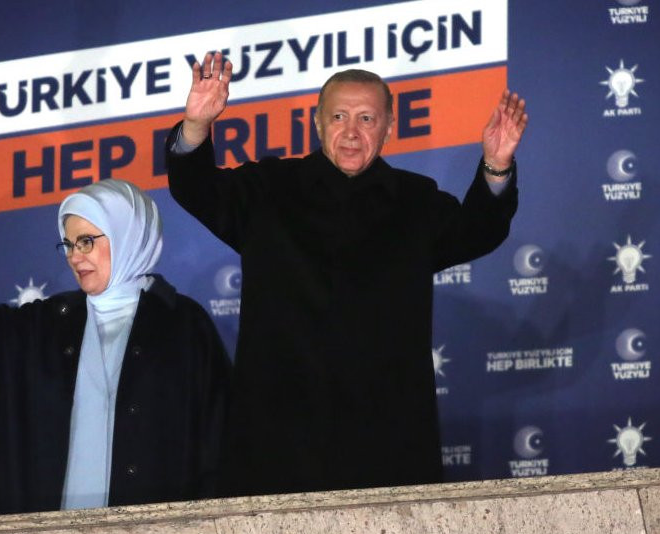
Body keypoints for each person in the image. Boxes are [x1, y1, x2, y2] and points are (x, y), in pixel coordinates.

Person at [165, 53, 527, 497]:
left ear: (389, 128)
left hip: (386, 442)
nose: (351, 132)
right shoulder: (269, 191)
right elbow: (194, 187)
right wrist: (197, 125)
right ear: (317, 124)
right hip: (276, 440)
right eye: (338, 116)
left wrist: (496, 165)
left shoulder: (414, 202)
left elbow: (477, 231)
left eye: (366, 118)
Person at [0, 179, 231, 518]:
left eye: (86, 242)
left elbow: (218, 441)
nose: (75, 257)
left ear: (127, 235)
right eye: (68, 245)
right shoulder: (52, 321)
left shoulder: (182, 324)